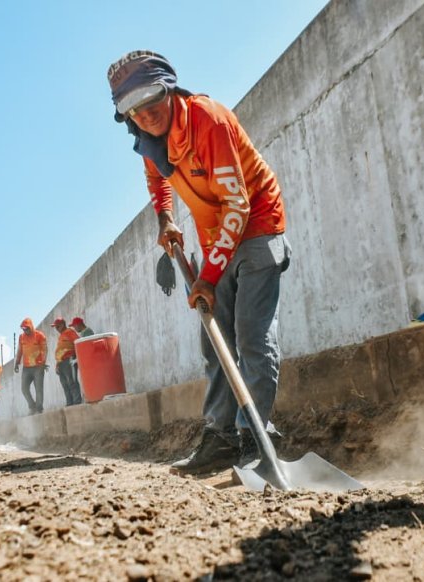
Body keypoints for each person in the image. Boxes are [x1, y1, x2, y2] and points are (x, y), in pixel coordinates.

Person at [107, 50, 291, 474]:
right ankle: (221, 438)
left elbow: (238, 205)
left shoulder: (208, 120)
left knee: (251, 340)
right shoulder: (149, 138)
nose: (145, 114)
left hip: (257, 224)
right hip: (218, 234)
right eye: (131, 108)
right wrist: (167, 218)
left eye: (152, 99)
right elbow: (156, 175)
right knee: (214, 343)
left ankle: (256, 439)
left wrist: (206, 277)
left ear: (169, 89)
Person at [14, 317, 48, 415]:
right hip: (26, 367)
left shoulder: (40, 335)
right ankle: (32, 406)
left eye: (27, 328)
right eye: (24, 329)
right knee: (24, 388)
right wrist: (17, 363)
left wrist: (43, 362)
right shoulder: (22, 337)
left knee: (38, 388)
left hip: (38, 366)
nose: (26, 331)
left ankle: (39, 409)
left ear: (31, 327)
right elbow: (20, 350)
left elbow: (45, 349)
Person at [51, 317, 81, 406]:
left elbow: (77, 342)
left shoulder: (70, 332)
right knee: (65, 385)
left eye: (57, 326)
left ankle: (77, 402)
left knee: (72, 382)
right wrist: (57, 365)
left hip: (69, 360)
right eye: (55, 327)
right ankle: (69, 403)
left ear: (62, 324)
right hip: (61, 363)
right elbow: (59, 351)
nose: (56, 328)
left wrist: (77, 358)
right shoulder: (61, 335)